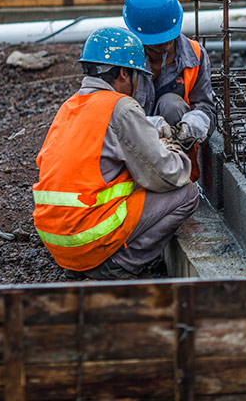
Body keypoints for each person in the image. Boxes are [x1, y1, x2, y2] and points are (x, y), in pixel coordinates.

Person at [32, 26, 199, 280]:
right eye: (137, 76)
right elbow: (167, 174)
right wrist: (173, 147)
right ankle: (119, 264)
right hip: (86, 237)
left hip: (56, 239)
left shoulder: (69, 106)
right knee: (186, 193)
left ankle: (87, 261)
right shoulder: (120, 107)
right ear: (123, 73)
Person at [123, 0, 216, 182]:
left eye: (168, 37)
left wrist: (197, 121)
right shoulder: (123, 59)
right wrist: (145, 127)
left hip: (176, 155)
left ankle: (177, 177)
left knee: (171, 104)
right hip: (130, 149)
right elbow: (109, 113)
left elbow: (207, 107)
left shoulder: (195, 55)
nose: (165, 44)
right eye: (156, 41)